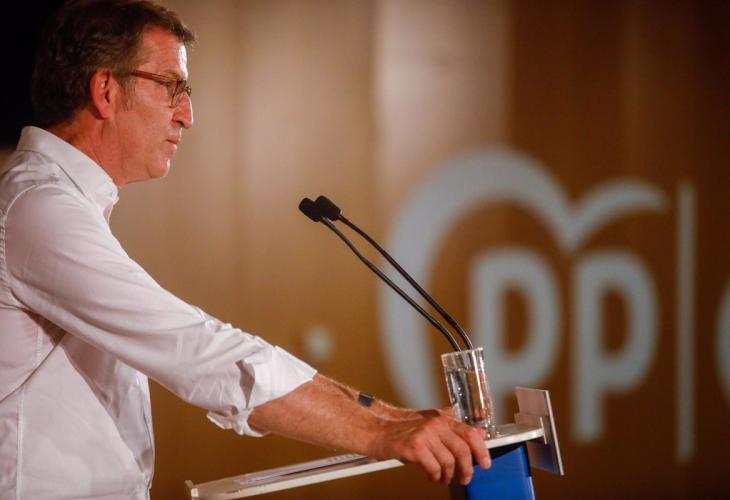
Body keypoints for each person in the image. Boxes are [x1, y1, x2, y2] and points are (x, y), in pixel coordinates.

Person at [0, 1, 490, 498]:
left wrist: (395, 419)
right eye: (171, 86)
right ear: (106, 90)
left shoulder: (57, 204)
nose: (187, 115)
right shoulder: (38, 209)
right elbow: (197, 350)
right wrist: (381, 431)